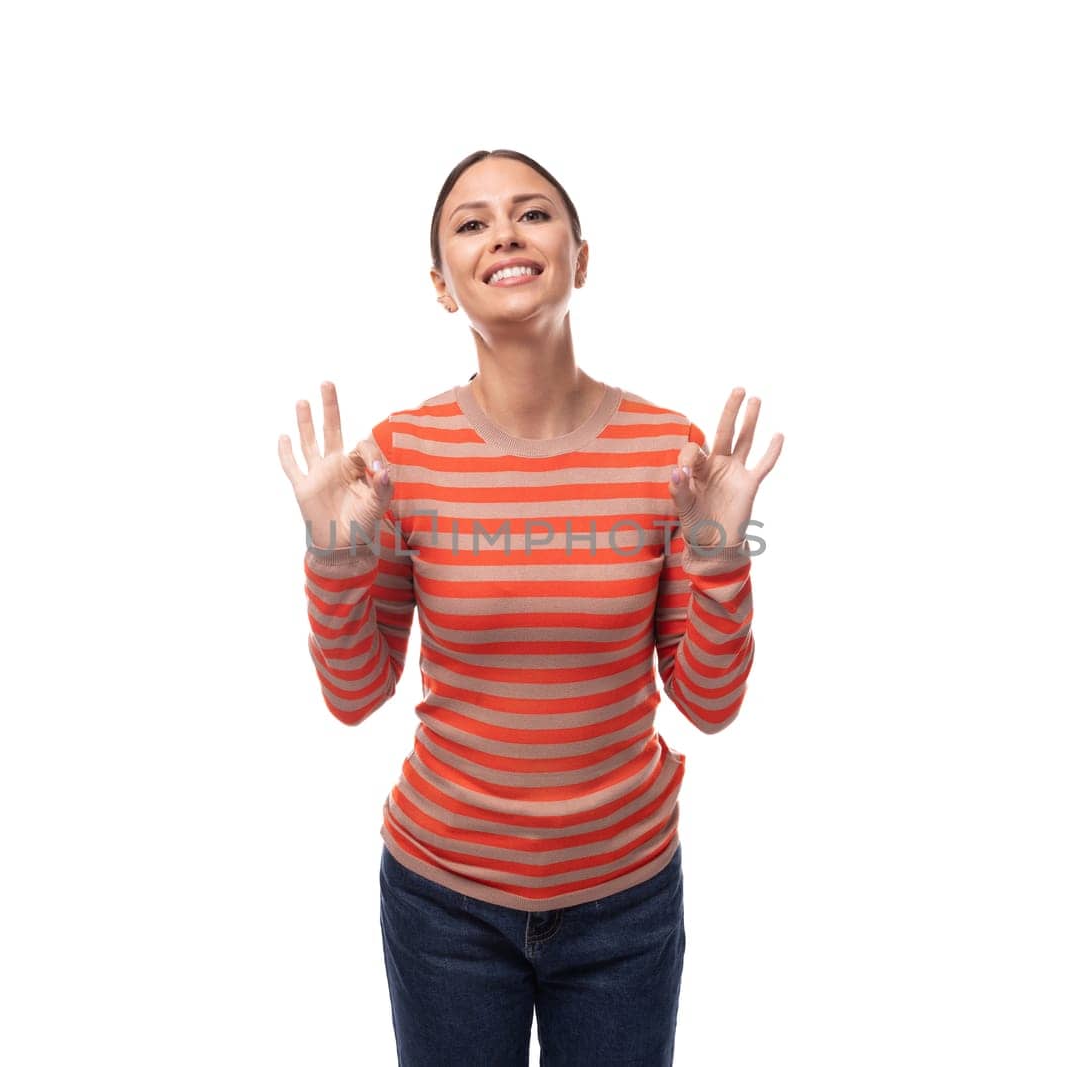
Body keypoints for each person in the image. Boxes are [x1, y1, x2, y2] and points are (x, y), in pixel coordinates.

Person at [278, 149, 782, 1066]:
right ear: (442, 284)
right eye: (471, 223)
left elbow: (709, 702)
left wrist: (718, 558)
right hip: (444, 905)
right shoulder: (401, 453)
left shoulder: (668, 450)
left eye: (531, 213)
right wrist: (333, 558)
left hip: (625, 904)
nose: (504, 233)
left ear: (579, 257)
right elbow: (355, 695)